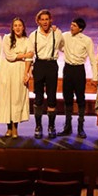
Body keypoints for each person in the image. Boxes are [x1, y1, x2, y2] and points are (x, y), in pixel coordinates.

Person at [0, 17, 34, 138]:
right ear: (12, 27)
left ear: (23, 27)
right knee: (7, 99)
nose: (17, 27)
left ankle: (15, 128)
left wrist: (26, 73)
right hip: (7, 71)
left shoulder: (27, 40)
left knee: (17, 99)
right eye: (15, 25)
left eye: (20, 25)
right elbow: (9, 56)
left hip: (20, 71)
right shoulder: (6, 38)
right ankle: (8, 127)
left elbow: (30, 58)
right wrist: (24, 54)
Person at [29, 9, 65, 139]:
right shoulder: (33, 35)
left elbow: (63, 47)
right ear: (38, 21)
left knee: (51, 98)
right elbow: (30, 54)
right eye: (42, 19)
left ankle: (51, 126)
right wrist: (27, 71)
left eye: (46, 19)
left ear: (51, 20)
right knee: (38, 98)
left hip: (51, 65)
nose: (44, 21)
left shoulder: (57, 33)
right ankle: (38, 126)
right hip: (38, 65)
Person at [60, 17, 94, 138]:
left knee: (80, 98)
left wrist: (95, 76)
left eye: (74, 25)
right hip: (68, 69)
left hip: (79, 70)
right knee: (67, 98)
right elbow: (58, 44)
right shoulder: (65, 36)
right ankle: (67, 126)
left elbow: (92, 59)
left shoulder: (87, 40)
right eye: (71, 24)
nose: (71, 27)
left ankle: (80, 127)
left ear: (80, 29)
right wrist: (65, 50)